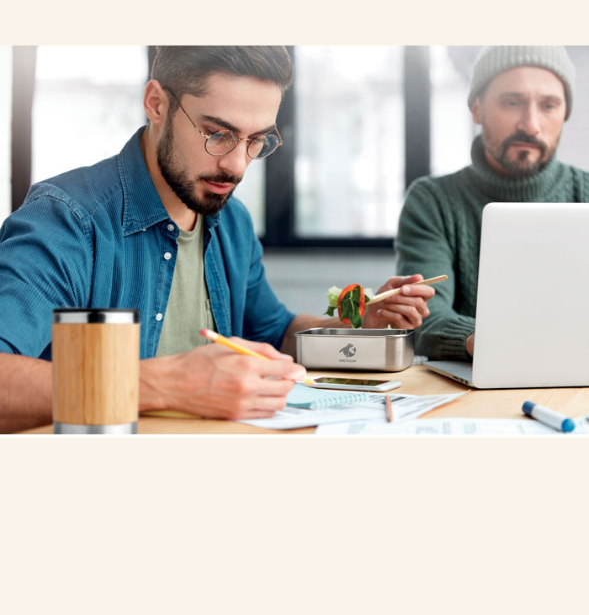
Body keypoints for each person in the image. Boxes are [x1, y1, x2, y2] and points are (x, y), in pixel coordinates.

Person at [0, 46, 435, 433]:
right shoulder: (68, 218)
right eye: (218, 134)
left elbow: (274, 332)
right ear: (156, 103)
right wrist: (169, 385)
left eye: (256, 140)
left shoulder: (232, 221)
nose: (236, 165)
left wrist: (357, 323)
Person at [396, 45, 589, 361]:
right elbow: (423, 315)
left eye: (549, 106)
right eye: (512, 103)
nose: (531, 125)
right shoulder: (432, 201)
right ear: (477, 109)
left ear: (565, 114)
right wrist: (495, 345)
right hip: (473, 384)